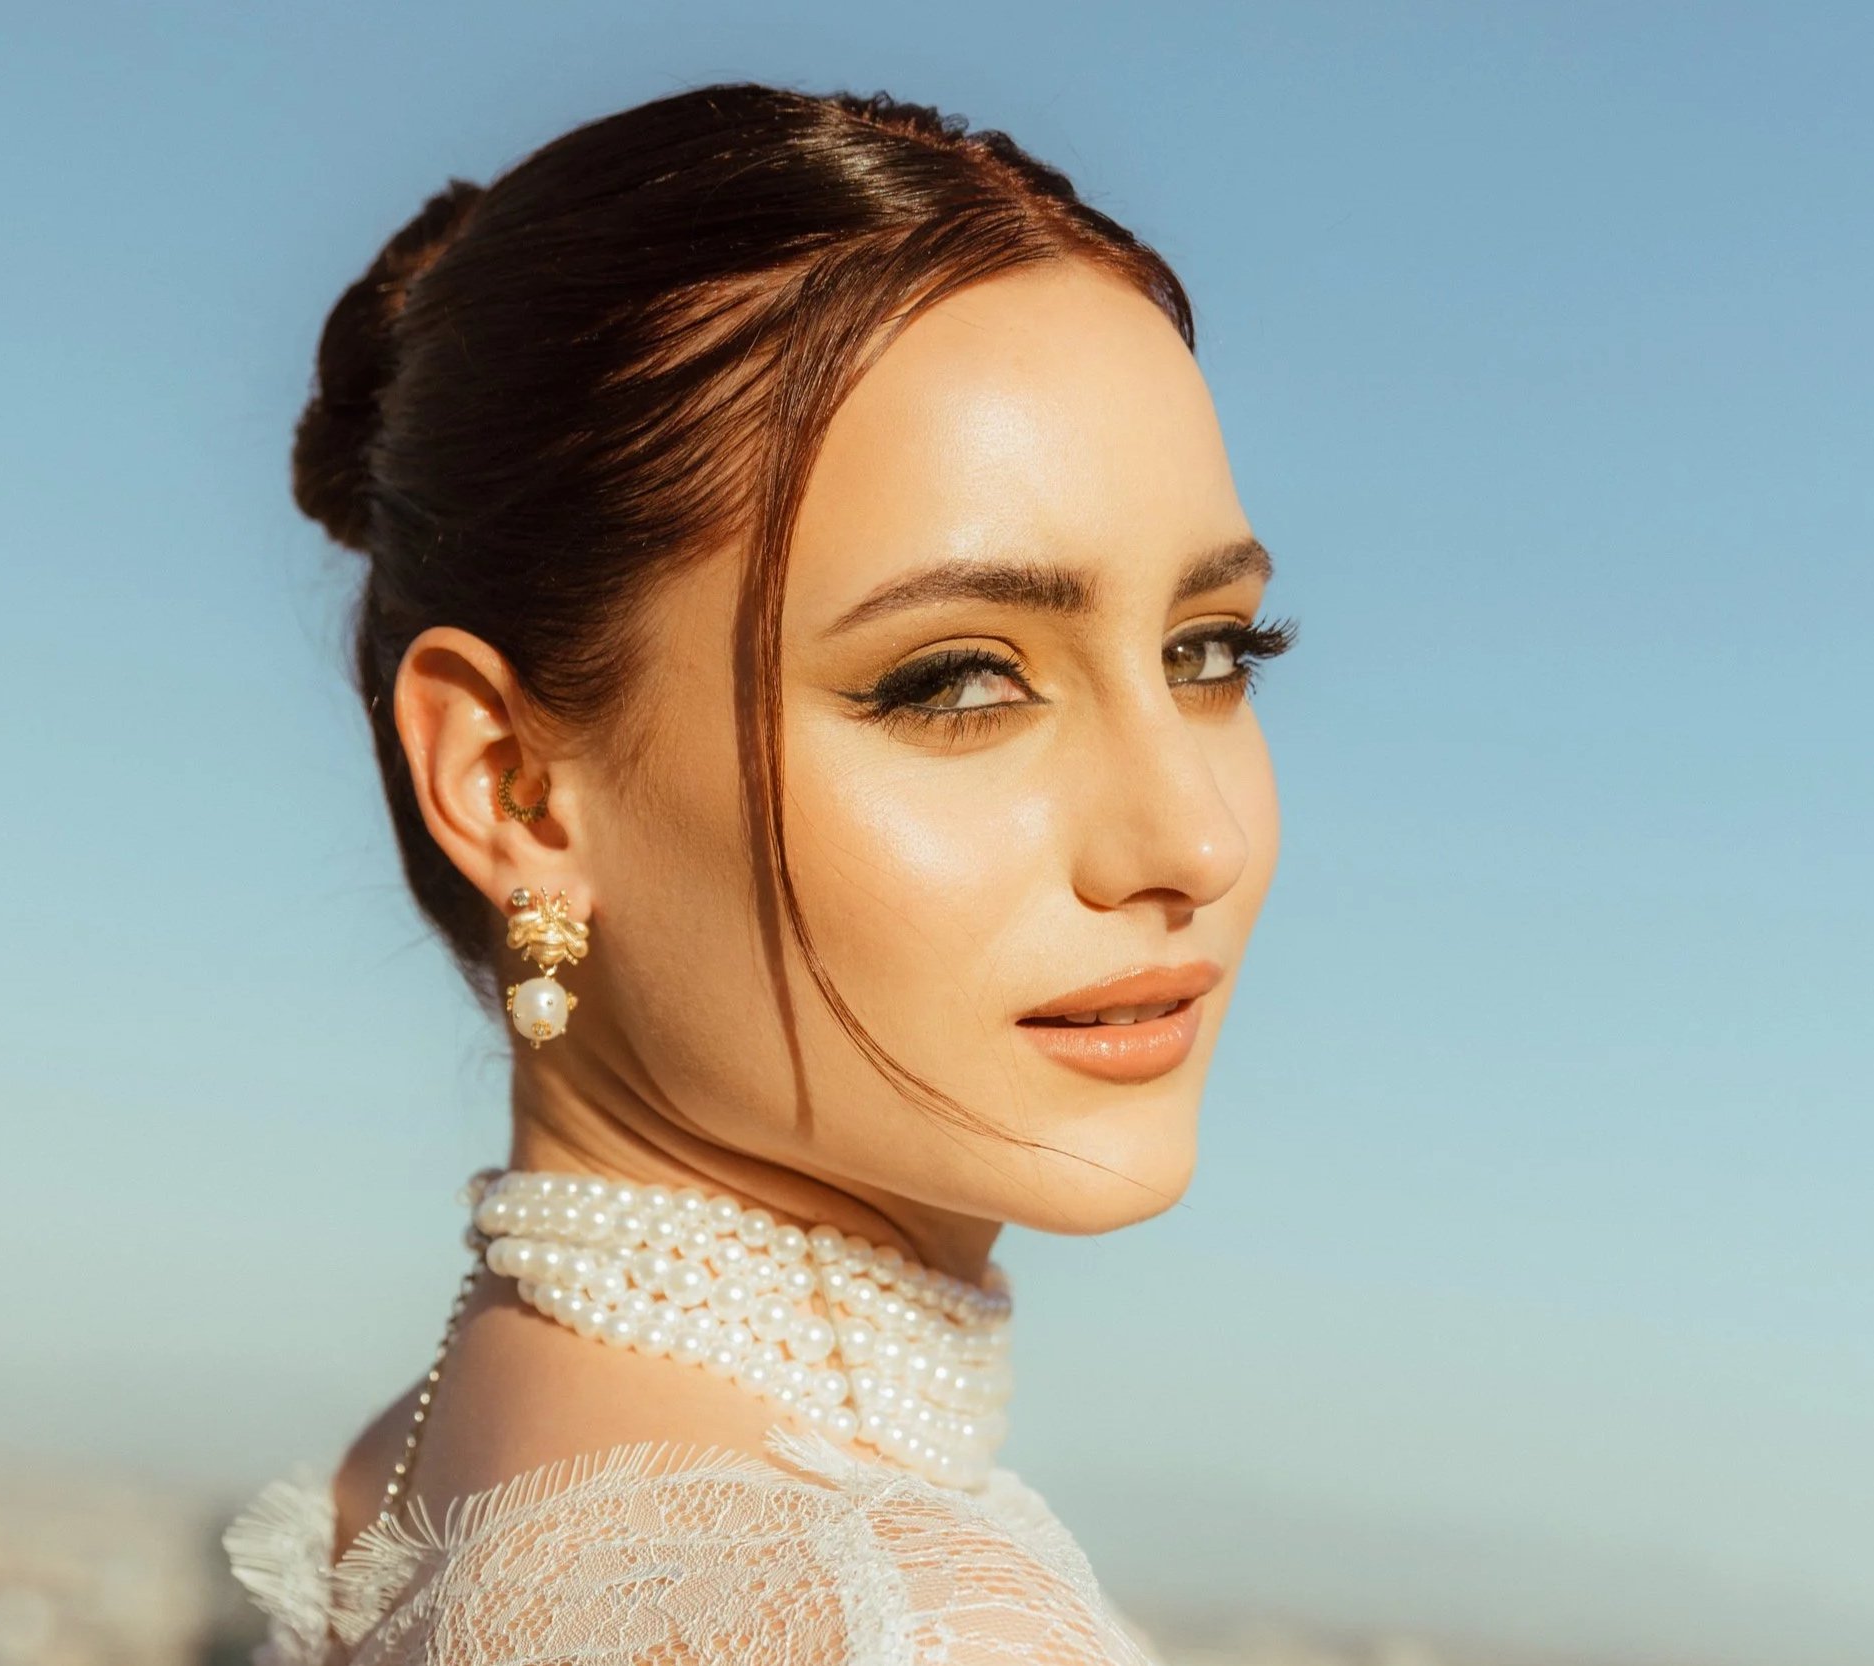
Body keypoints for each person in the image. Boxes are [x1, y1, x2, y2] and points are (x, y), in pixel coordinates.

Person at [223, 77, 1292, 1666]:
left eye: (1208, 650)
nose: (1191, 838)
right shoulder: (895, 1621)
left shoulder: (406, 1485)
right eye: (957, 681)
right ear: (510, 780)